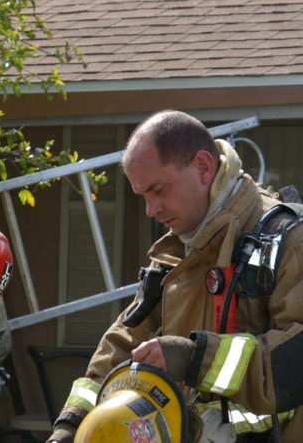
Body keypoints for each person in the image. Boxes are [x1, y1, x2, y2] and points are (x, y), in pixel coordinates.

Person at [48, 110, 303, 443]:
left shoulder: (289, 242)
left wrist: (194, 357)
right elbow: (126, 342)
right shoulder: (175, 252)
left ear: (203, 166)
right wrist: (74, 422)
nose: (150, 209)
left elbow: (293, 365)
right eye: (144, 196)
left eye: (159, 190)